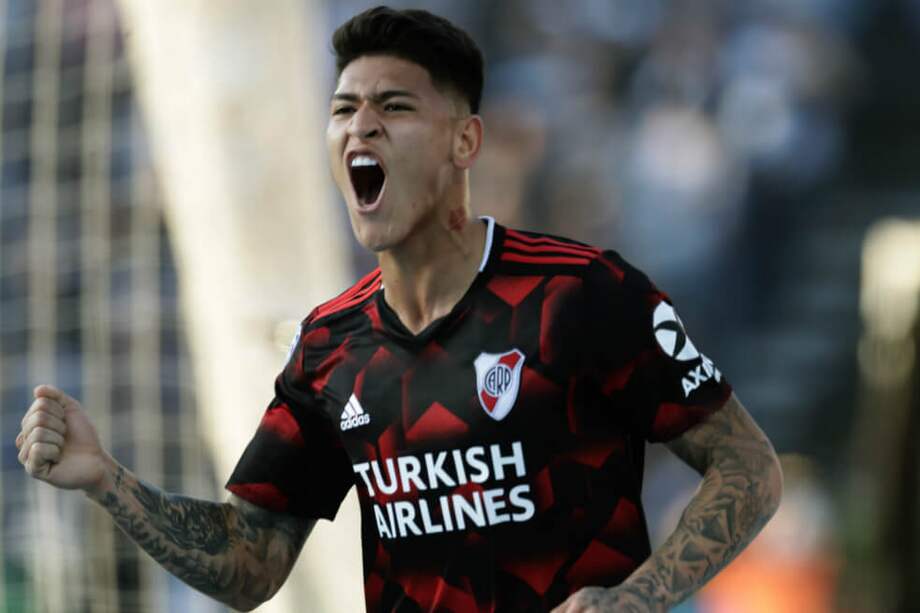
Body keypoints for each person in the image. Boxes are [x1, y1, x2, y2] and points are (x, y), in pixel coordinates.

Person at [15, 6, 783, 612]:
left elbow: (749, 468)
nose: (361, 125)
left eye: (393, 106)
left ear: (464, 142)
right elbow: (252, 565)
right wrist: (108, 479)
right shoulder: (330, 346)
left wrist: (641, 596)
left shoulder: (583, 294)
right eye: (344, 108)